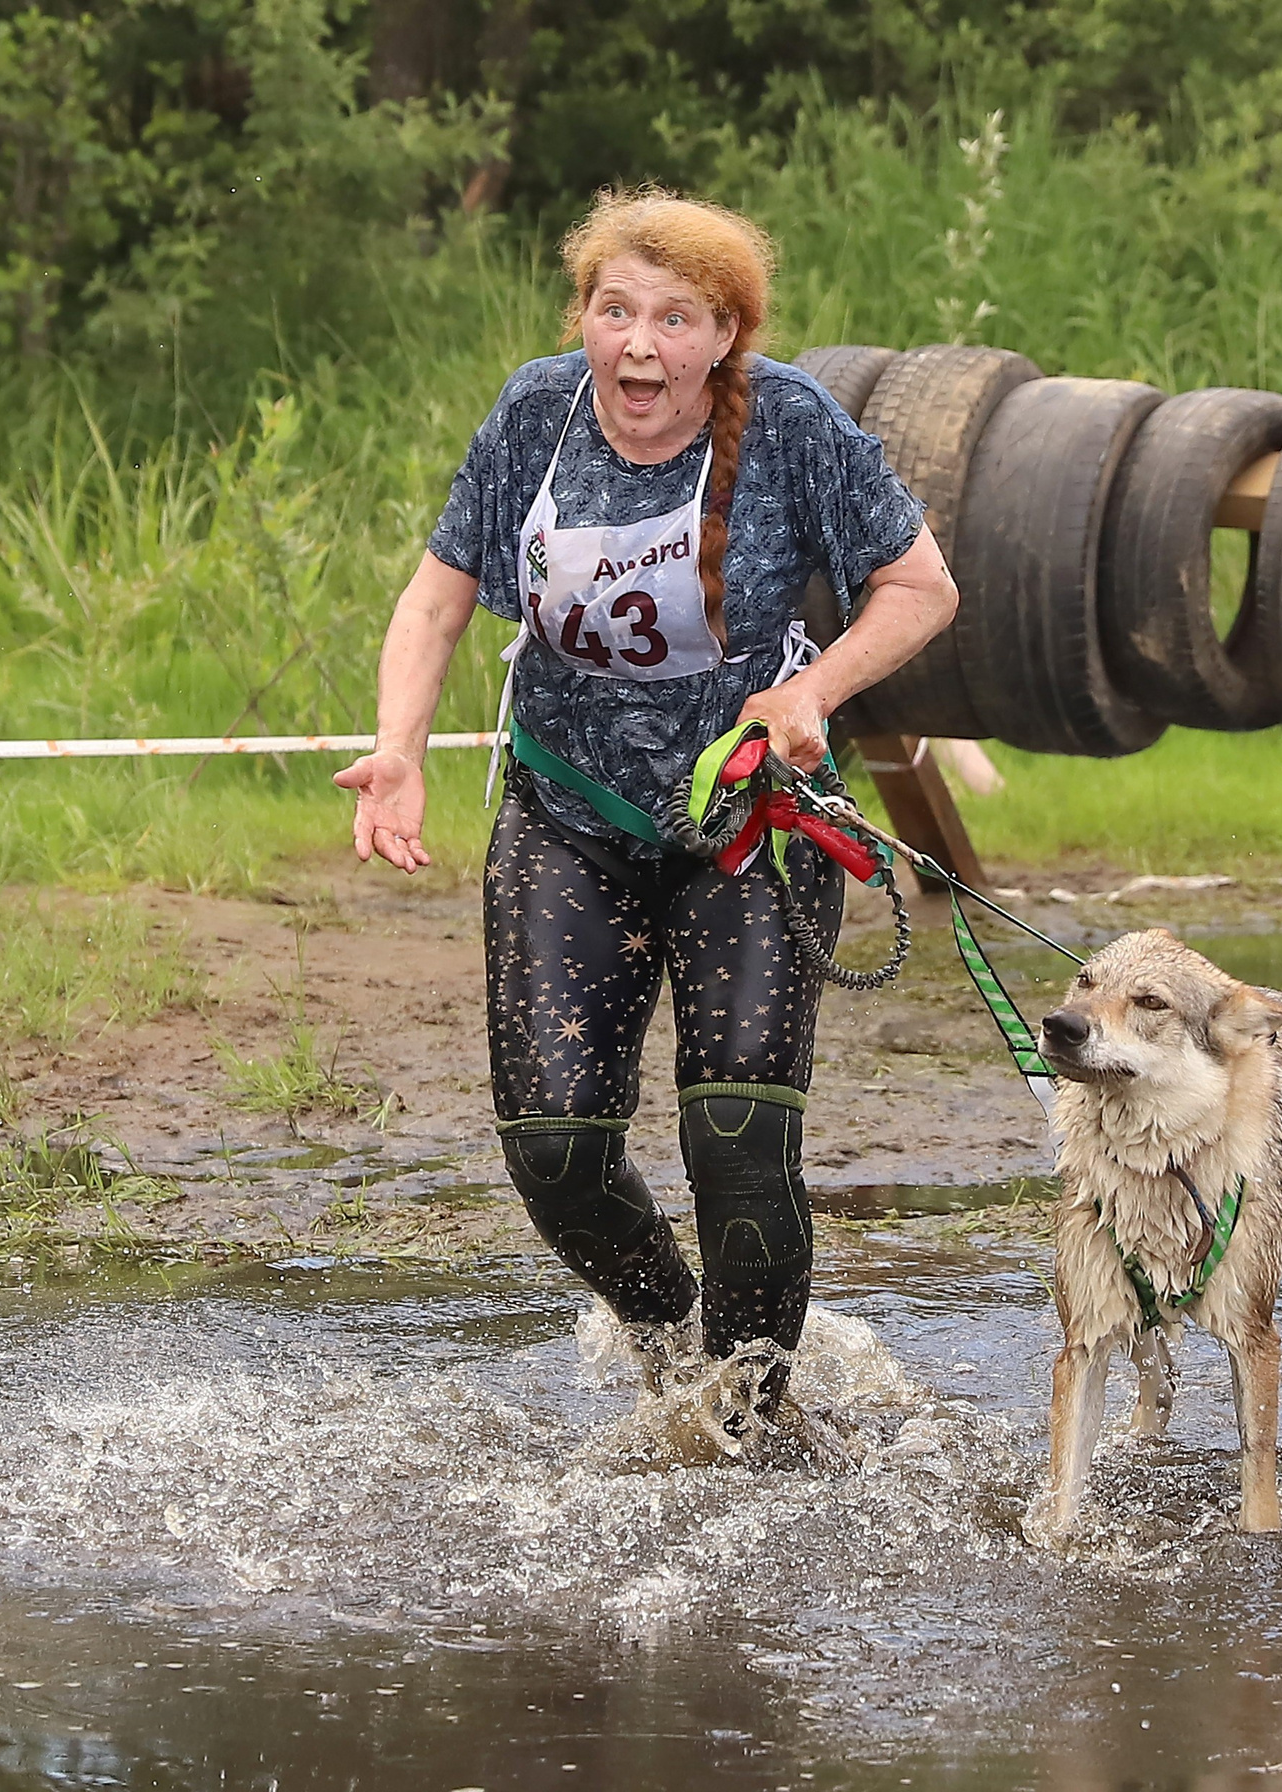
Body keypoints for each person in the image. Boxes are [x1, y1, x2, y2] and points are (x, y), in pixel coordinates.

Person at [334, 190, 958, 1408]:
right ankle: (676, 1350)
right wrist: (399, 746)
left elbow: (921, 585)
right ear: (583, 320)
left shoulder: (791, 423)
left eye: (674, 318)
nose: (638, 345)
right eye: (614, 311)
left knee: (736, 1144)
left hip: (752, 823)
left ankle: (751, 1422)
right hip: (569, 815)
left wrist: (815, 691)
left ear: (724, 332)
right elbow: (434, 597)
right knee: (557, 1149)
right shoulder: (534, 410)